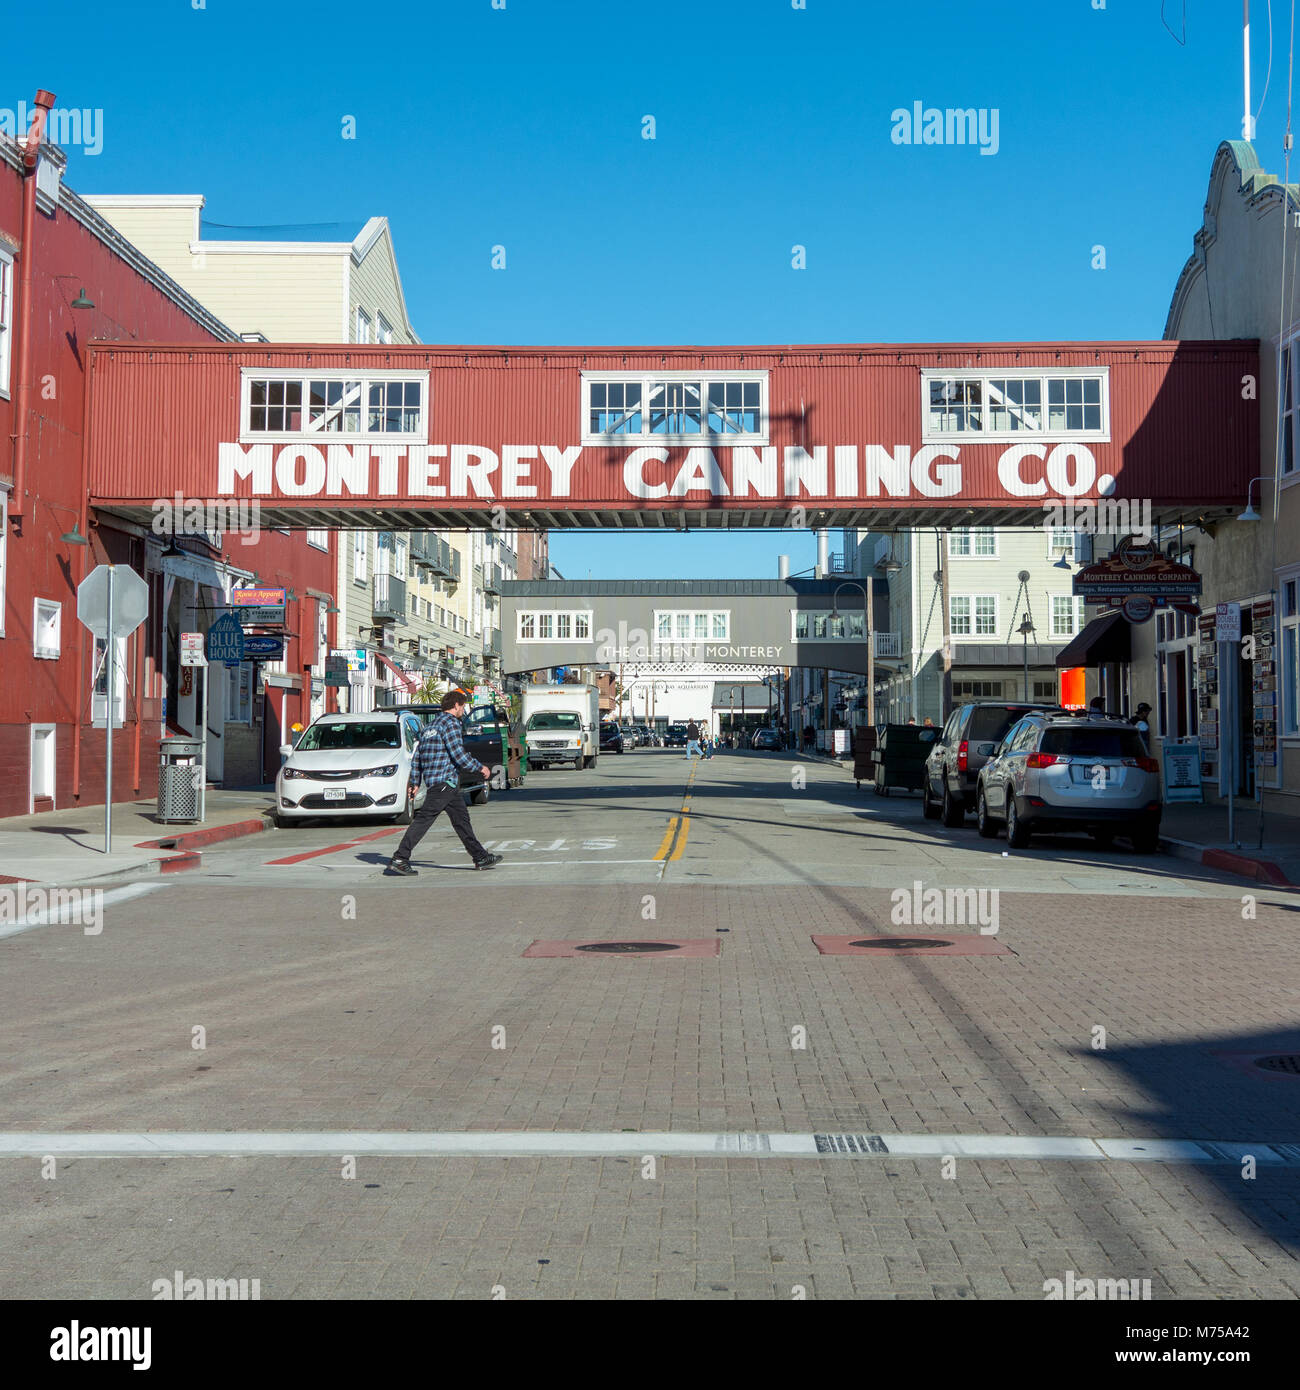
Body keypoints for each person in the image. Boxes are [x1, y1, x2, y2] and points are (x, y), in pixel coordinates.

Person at [387, 690, 502, 875]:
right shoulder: (451, 724)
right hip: (444, 783)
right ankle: (400, 858)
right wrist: (480, 768)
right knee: (423, 820)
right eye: (462, 707)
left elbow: (417, 757)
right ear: (456, 705)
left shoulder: (429, 727)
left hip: (440, 783)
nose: (462, 711)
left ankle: (480, 857)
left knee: (462, 821)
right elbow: (458, 753)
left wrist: (416, 782)